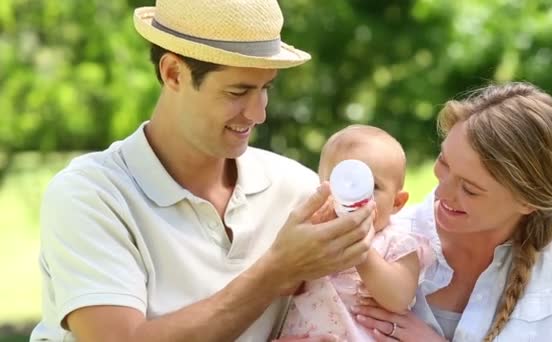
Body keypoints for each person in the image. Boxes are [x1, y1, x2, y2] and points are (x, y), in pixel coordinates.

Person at [30, 1, 376, 341]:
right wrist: (277, 271)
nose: (258, 114)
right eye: (238, 91)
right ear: (173, 73)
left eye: (265, 89)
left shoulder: (299, 190)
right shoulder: (90, 196)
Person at [349, 82, 552, 341]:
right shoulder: (387, 237)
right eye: (444, 163)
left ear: (528, 202)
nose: (442, 194)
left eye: (470, 189)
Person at [280, 125, 435, 340]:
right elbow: (286, 287)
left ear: (397, 202)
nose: (354, 199)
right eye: (339, 183)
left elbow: (398, 299)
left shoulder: (399, 242)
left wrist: (361, 251)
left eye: (373, 187)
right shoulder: (315, 236)